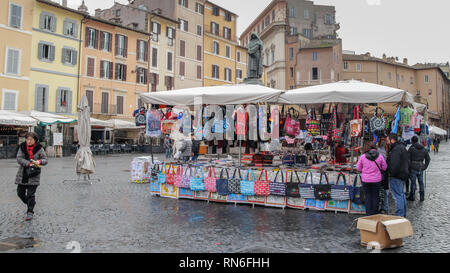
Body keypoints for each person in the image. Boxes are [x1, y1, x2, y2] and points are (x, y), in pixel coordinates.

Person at [15, 132, 48, 221]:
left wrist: (39, 162)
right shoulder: (22, 147)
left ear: (35, 140)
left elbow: (45, 160)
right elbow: (19, 158)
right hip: (23, 174)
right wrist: (29, 164)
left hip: (34, 175)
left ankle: (30, 212)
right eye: (27, 139)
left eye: (31, 139)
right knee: (20, 193)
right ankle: (30, 203)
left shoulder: (39, 148)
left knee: (30, 194)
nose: (29, 141)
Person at [356, 145, 388, 215]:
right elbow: (385, 167)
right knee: (375, 196)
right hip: (376, 180)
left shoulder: (363, 156)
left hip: (366, 180)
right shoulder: (380, 156)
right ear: (375, 149)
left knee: (368, 196)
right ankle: (374, 213)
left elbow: (358, 168)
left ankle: (368, 213)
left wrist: (364, 171)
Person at [386, 134, 409, 217]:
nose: (387, 142)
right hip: (402, 174)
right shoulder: (402, 147)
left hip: (397, 176)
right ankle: (402, 214)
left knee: (398, 196)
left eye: (388, 140)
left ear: (392, 140)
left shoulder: (396, 149)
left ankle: (400, 214)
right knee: (401, 194)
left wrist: (391, 174)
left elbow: (394, 164)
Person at [407, 136, 431, 202]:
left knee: (413, 183)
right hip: (421, 167)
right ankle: (422, 196)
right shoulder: (424, 148)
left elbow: (407, 158)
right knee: (421, 182)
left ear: (412, 141)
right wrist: (425, 166)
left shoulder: (411, 148)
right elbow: (428, 159)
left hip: (413, 167)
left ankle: (412, 196)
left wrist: (409, 166)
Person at [377, 138, 390, 214]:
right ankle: (384, 207)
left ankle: (382, 207)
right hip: (383, 174)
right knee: (384, 191)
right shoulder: (385, 152)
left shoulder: (379, 152)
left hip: (380, 175)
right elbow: (385, 167)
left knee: (381, 191)